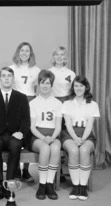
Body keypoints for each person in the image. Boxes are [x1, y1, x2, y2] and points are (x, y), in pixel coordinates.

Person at [0, 67, 30, 199]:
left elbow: (26, 120)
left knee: (16, 145)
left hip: (14, 135)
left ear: (13, 78)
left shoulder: (21, 98)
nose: (6, 78)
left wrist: (21, 132)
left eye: (9, 76)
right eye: (3, 76)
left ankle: (9, 184)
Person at [61, 75, 100, 201]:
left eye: (81, 86)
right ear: (73, 87)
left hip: (86, 134)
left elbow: (90, 125)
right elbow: (67, 124)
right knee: (73, 150)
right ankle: (75, 186)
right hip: (69, 133)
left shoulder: (93, 104)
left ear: (86, 87)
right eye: (76, 85)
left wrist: (82, 138)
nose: (78, 88)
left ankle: (83, 186)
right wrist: (75, 138)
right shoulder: (67, 103)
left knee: (84, 150)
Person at [9, 42, 40, 182]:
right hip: (15, 101)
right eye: (22, 50)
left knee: (27, 133)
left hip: (30, 101)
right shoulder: (11, 68)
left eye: (27, 51)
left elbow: (40, 89)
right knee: (14, 133)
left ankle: (26, 170)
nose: (24, 53)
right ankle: (15, 168)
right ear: (18, 52)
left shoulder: (36, 70)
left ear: (31, 53)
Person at [29, 70, 62, 200]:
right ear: (38, 84)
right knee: (45, 147)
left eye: (47, 83)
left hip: (53, 134)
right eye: (42, 83)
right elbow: (32, 127)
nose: (45, 86)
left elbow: (58, 126)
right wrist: (43, 138)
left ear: (51, 84)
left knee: (54, 147)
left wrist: (52, 138)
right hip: (37, 135)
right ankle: (42, 185)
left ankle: (50, 184)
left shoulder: (58, 103)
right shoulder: (33, 103)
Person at [49, 46, 76, 183]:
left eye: (62, 55)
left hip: (66, 103)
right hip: (53, 105)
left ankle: (64, 166)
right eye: (57, 54)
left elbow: (74, 93)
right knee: (54, 134)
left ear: (65, 58)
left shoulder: (71, 73)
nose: (59, 57)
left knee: (64, 134)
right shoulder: (49, 72)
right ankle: (55, 170)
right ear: (53, 57)